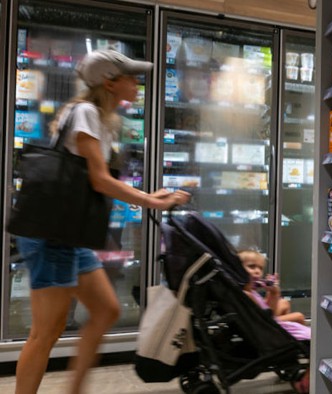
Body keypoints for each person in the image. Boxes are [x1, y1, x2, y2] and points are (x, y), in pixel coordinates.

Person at [15, 50, 191, 394]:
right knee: (45, 333)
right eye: (131, 77)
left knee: (106, 310)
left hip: (69, 234)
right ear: (110, 82)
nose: (137, 83)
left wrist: (148, 197)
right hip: (53, 236)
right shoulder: (86, 113)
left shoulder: (98, 117)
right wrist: (150, 200)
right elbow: (98, 179)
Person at [238, 249, 310, 393]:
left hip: (263, 326)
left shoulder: (248, 292)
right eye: (252, 267)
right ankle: (306, 382)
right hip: (267, 330)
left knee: (284, 304)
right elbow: (268, 316)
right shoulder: (247, 295)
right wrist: (274, 293)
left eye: (260, 268)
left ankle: (290, 362)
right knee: (316, 342)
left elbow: (265, 310)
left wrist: (273, 292)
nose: (258, 272)